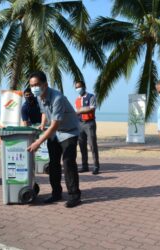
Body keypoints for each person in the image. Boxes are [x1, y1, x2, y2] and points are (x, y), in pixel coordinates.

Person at [26, 71, 81, 208]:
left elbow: (56, 124)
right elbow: (44, 112)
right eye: (32, 85)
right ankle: (56, 193)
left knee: (68, 162)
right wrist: (43, 124)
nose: (34, 88)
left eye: (37, 84)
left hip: (69, 132)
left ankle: (74, 195)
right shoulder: (39, 97)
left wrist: (38, 142)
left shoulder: (58, 98)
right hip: (54, 133)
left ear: (45, 84)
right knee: (53, 164)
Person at [74, 80, 100, 175]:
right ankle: (85, 166)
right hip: (79, 124)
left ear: (84, 86)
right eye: (76, 87)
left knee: (92, 145)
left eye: (79, 87)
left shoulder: (91, 96)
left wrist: (80, 111)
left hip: (89, 123)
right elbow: (76, 112)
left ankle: (96, 166)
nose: (78, 89)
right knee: (82, 145)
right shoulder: (77, 100)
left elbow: (92, 108)